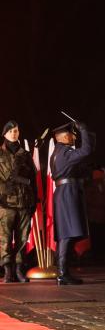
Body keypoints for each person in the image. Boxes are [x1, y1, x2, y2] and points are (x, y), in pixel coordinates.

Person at [51, 121, 93, 285]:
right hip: (67, 193)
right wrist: (84, 130)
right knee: (67, 234)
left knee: (68, 233)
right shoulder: (66, 153)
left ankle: (63, 270)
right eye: (71, 134)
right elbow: (87, 150)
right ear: (63, 136)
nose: (74, 137)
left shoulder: (58, 152)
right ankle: (62, 272)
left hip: (65, 192)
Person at [0, 121, 36, 283]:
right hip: (5, 202)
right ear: (5, 134)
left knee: (23, 238)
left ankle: (19, 269)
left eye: (17, 130)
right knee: (5, 238)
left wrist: (34, 199)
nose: (14, 133)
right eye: (11, 131)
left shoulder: (25, 154)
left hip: (24, 201)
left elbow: (33, 179)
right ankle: (7, 270)